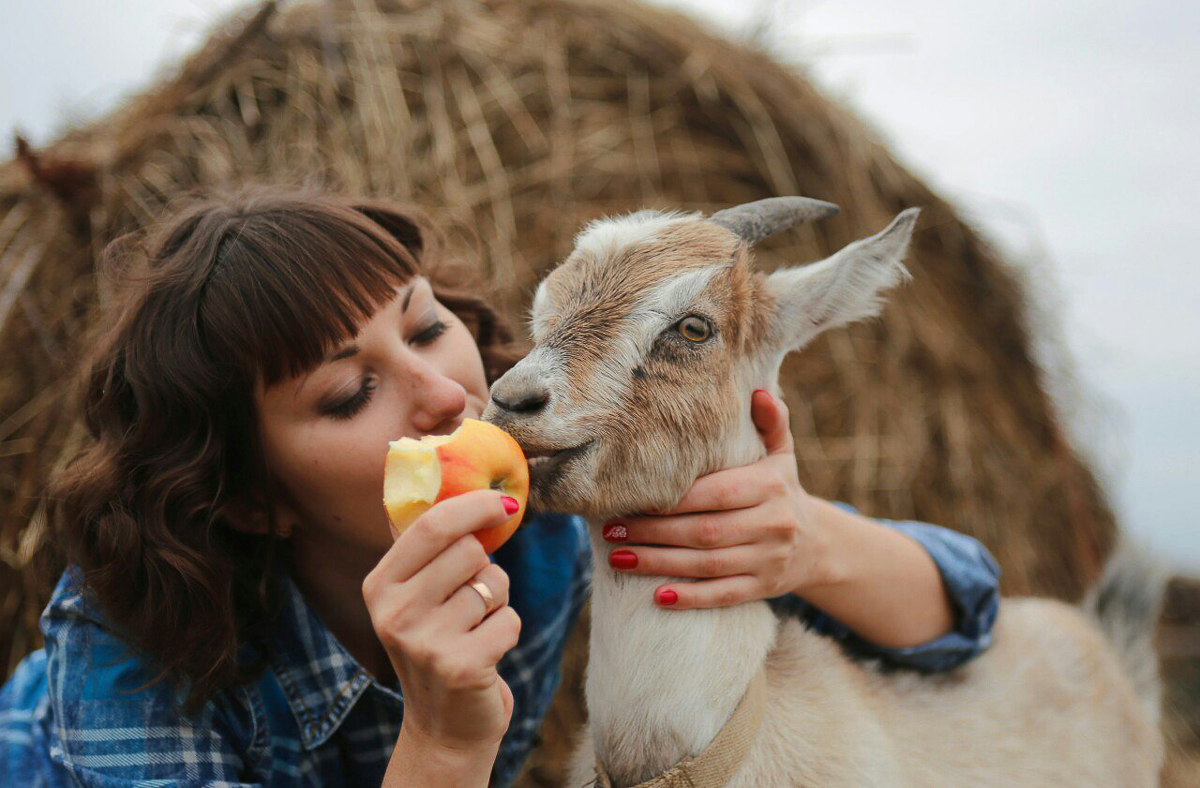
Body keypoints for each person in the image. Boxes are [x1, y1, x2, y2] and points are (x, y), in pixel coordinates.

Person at [0, 186, 1000, 787]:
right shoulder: (127, 663)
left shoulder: (556, 513)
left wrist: (805, 541)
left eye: (429, 324)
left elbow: (964, 606)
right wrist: (441, 737)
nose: (448, 392)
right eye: (352, 392)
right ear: (253, 498)